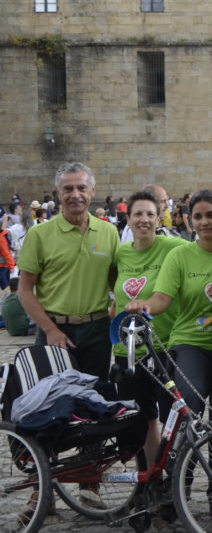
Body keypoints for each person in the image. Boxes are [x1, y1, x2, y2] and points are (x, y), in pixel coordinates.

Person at [125, 190, 212, 444]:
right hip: (191, 343)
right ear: (190, 220)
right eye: (198, 216)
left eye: (211, 215)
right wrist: (145, 306)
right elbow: (162, 298)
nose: (204, 222)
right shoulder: (180, 255)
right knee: (189, 409)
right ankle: (179, 475)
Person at [18, 163, 120, 380]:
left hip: (97, 332)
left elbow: (116, 282)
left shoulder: (109, 232)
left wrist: (118, 309)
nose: (76, 195)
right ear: (58, 194)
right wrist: (50, 330)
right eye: (68, 189)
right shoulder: (39, 235)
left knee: (95, 400)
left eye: (82, 188)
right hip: (54, 329)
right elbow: (25, 290)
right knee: (55, 403)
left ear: (93, 191)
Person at [111, 191, 190, 463]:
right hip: (128, 350)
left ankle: (175, 484)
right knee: (143, 421)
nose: (143, 220)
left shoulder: (174, 247)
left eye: (150, 214)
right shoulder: (120, 254)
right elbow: (113, 292)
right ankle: (149, 483)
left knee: (173, 420)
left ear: (159, 219)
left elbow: (206, 247)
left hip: (164, 348)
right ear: (128, 219)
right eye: (138, 214)